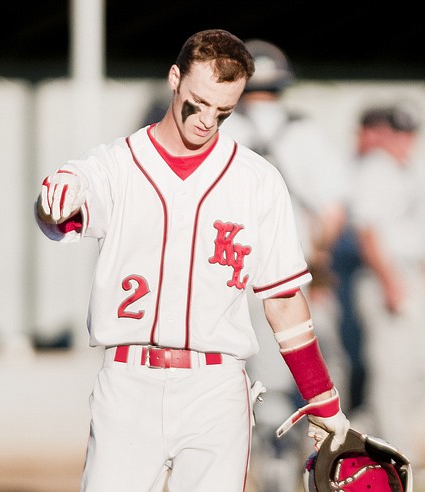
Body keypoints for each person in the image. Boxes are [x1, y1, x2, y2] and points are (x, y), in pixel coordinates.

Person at [34, 29, 350, 491]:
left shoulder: (257, 180)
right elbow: (69, 202)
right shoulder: (116, 164)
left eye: (223, 111)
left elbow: (284, 300)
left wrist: (324, 403)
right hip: (128, 381)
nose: (206, 120)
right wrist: (57, 195)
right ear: (174, 77)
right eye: (198, 103)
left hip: (217, 386)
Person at [218, 39, 352, 490]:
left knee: (258, 380)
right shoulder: (306, 133)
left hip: (237, 279)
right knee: (317, 371)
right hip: (299, 277)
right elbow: (333, 212)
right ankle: (315, 462)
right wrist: (318, 257)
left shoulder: (220, 133)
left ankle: (269, 462)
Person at [347, 102, 425, 468]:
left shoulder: (406, 169)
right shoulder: (376, 168)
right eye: (398, 134)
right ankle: (390, 454)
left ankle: (400, 448)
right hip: (385, 275)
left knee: (412, 368)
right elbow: (368, 231)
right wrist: (391, 281)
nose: (403, 142)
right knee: (391, 370)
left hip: (409, 273)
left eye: (408, 135)